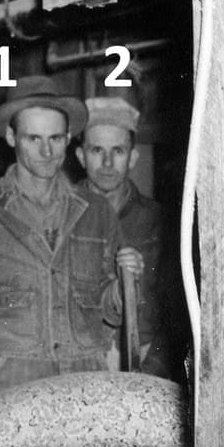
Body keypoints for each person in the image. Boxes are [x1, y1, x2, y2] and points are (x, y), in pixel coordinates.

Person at [0, 76, 142, 398]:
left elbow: (113, 312)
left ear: (69, 138)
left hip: (86, 381)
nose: (46, 151)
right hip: (13, 382)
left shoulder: (97, 211)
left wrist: (128, 280)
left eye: (55, 138)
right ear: (12, 137)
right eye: (33, 138)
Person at [76, 97, 183, 378]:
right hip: (81, 363)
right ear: (79, 156)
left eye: (118, 151)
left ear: (133, 157)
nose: (108, 162)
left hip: (144, 358)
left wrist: (153, 370)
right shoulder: (61, 217)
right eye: (97, 150)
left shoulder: (159, 221)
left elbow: (175, 312)